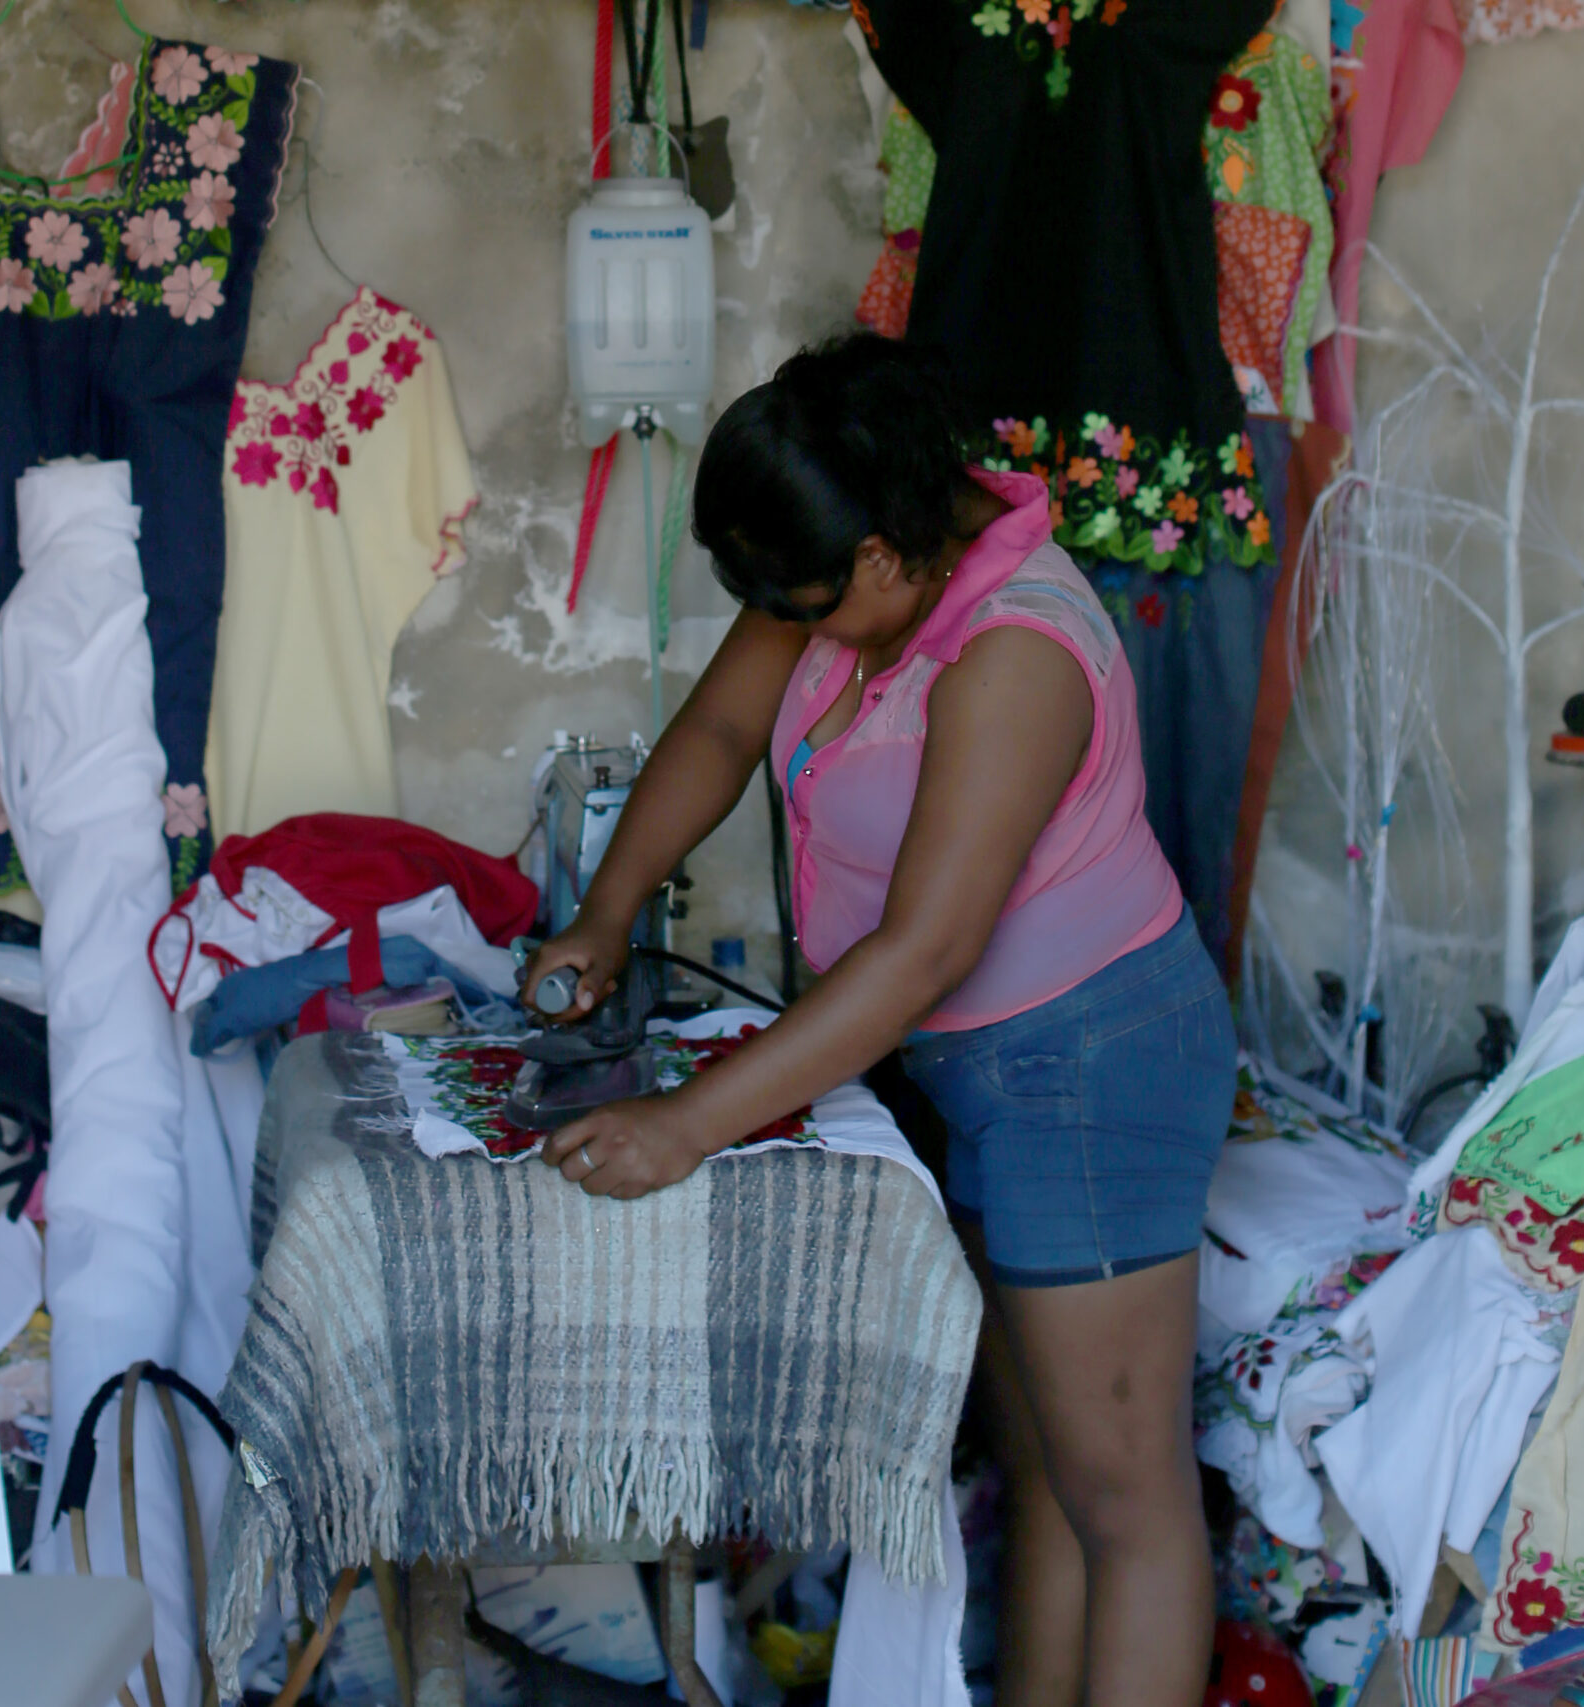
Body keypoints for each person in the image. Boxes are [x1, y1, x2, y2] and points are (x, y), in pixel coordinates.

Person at [519, 335, 1235, 1707]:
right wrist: (608, 913)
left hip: (1091, 1067)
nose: (794, 623)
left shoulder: (1018, 650)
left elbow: (924, 951)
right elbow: (724, 736)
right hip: (982, 1067)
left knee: (1126, 1499)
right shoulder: (852, 537)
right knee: (1047, 1479)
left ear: (892, 550)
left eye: (811, 599)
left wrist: (686, 1130)